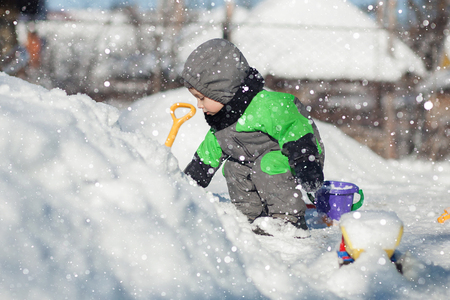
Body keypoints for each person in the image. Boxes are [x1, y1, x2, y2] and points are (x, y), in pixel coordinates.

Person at [182, 38, 324, 237]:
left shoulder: (264, 106)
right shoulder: (222, 122)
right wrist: (186, 184)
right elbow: (208, 155)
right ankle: (251, 216)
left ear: (223, 90)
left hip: (299, 151)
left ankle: (289, 221)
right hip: (258, 157)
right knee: (234, 168)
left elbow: (294, 123)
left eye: (201, 97)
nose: (199, 105)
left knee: (267, 166)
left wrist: (306, 160)